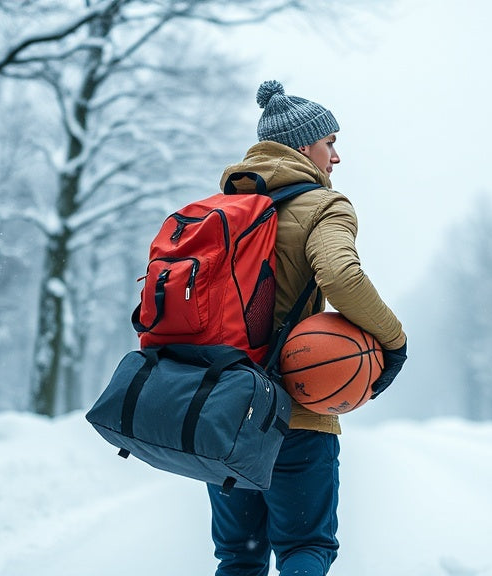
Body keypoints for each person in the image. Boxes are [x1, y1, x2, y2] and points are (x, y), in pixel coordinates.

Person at [207, 80, 408, 576]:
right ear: (302, 147)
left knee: (239, 557)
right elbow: (340, 275)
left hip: (225, 412)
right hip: (295, 411)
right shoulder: (324, 206)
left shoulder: (221, 210)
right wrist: (393, 340)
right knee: (304, 547)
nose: (335, 157)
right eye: (330, 143)